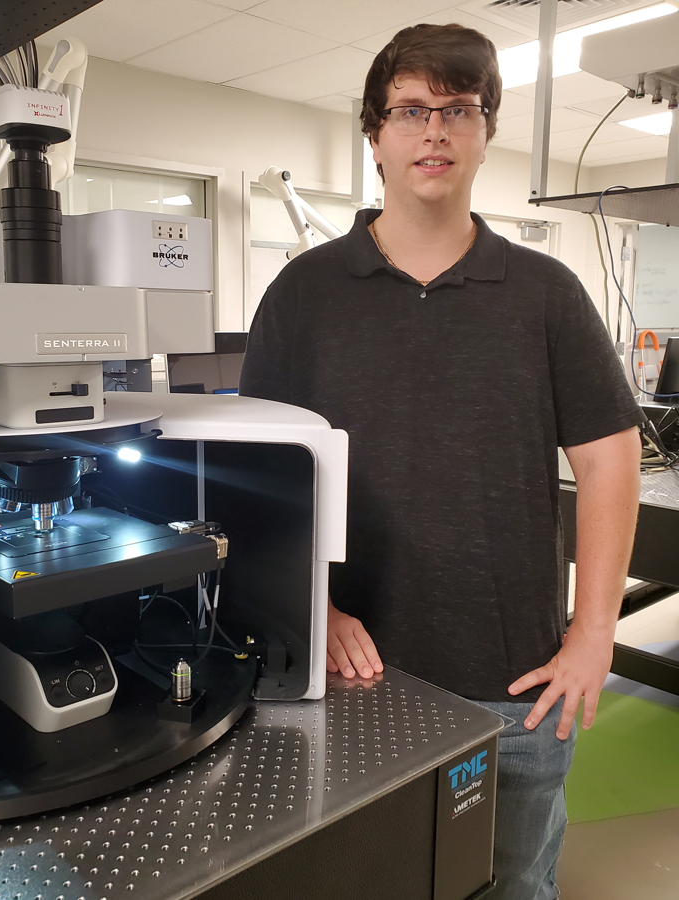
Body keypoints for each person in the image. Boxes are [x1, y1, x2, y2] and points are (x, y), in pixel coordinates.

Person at [239, 22, 643, 900]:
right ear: (376, 136)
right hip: (351, 674)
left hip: (516, 681)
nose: (435, 130)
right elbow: (256, 472)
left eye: (458, 109)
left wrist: (594, 634)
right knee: (364, 878)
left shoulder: (547, 294)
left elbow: (612, 462)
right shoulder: (304, 293)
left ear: (486, 131)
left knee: (513, 883)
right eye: (412, 110)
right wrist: (319, 607)